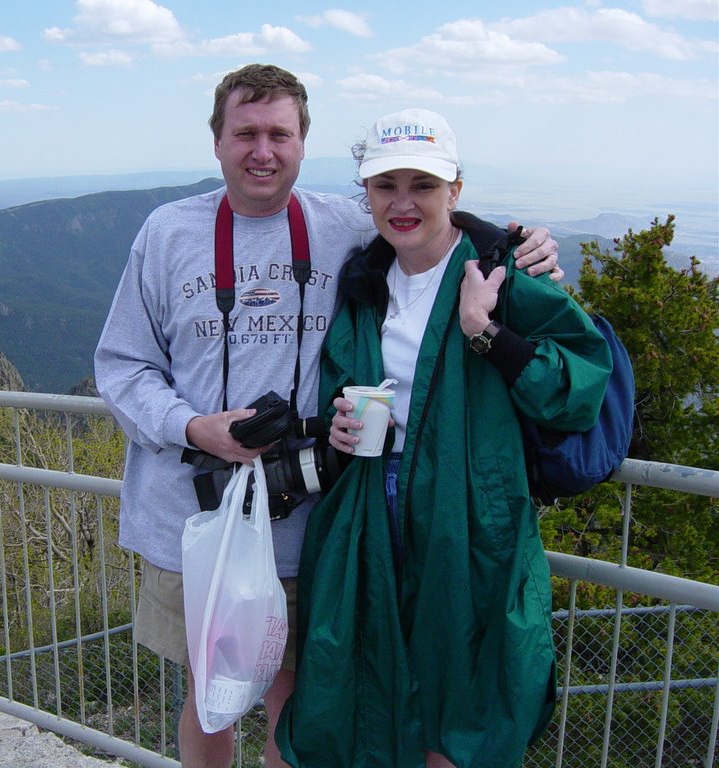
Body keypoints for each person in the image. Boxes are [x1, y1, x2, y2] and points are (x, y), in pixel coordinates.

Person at [94, 66, 561, 768]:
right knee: (209, 694)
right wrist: (195, 427)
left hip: (308, 516)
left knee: (300, 698)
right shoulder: (168, 233)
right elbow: (122, 365)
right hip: (192, 517)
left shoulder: (344, 223)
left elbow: (426, 222)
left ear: (303, 144)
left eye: (280, 134)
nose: (262, 151)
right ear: (216, 142)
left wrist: (523, 247)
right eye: (244, 133)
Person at [274, 108, 613, 767]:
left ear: (455, 189)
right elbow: (338, 388)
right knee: (368, 694)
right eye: (385, 186)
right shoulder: (363, 283)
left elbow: (579, 390)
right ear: (365, 193)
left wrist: (487, 331)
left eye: (423, 186)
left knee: (464, 710)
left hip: (469, 515)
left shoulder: (504, 273)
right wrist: (340, 427)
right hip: (370, 509)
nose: (403, 203)